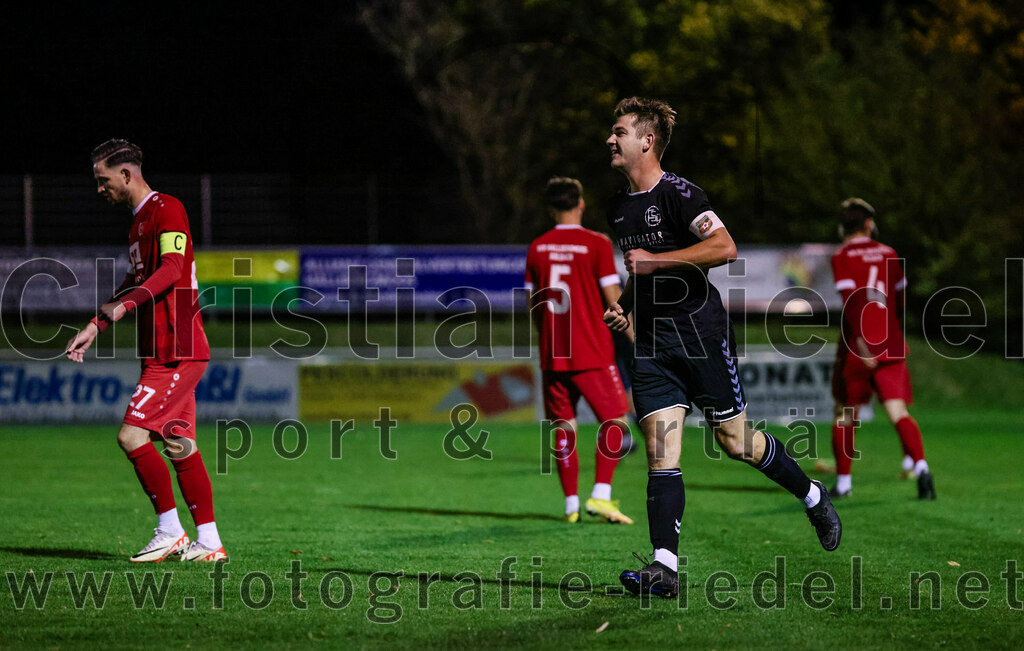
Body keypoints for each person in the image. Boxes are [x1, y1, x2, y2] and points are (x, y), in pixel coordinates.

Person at [602, 97, 841, 599]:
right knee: (660, 452)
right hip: (652, 343)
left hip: (701, 335)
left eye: (619, 131)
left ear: (646, 141)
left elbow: (724, 249)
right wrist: (625, 303)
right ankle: (663, 567)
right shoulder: (619, 207)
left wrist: (657, 263)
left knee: (737, 444)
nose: (610, 139)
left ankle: (813, 494)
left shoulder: (681, 193)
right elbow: (639, 270)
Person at [65, 139, 227, 562]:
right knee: (178, 445)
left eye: (103, 181)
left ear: (126, 174)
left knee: (131, 435)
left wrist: (123, 306)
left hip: (179, 346)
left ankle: (170, 531)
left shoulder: (167, 208)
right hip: (160, 348)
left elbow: (173, 269)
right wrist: (96, 324)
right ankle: (209, 542)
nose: (100, 189)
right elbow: (137, 278)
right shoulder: (138, 223)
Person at [524, 177, 635, 524]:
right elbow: (615, 300)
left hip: (552, 354)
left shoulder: (537, 247)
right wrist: (637, 340)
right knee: (615, 419)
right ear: (581, 204)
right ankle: (601, 495)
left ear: (550, 208)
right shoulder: (596, 244)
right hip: (592, 351)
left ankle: (571, 505)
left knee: (564, 426)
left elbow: (532, 303)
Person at [830, 197, 934, 499]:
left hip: (859, 345)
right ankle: (923, 467)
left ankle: (844, 484)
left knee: (846, 414)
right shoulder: (889, 253)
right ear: (868, 224)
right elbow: (899, 300)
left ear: (842, 227)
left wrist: (862, 343)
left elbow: (851, 302)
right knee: (898, 411)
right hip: (889, 341)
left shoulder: (842, 256)